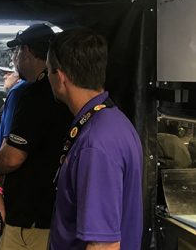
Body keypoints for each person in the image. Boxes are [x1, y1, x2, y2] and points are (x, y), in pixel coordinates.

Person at [47, 27, 143, 250]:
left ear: (60, 77)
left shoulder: (95, 143)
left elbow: (104, 245)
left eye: (48, 72)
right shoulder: (113, 120)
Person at [0, 24, 72, 249]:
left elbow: (11, 157)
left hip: (31, 219)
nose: (14, 58)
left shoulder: (32, 93)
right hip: (57, 212)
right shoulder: (64, 90)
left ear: (27, 51)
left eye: (16, 51)